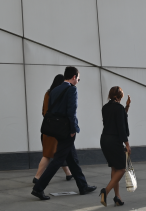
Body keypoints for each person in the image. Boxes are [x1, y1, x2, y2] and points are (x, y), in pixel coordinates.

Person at [31, 67, 96, 200]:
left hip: (57, 129)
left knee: (72, 159)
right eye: (78, 78)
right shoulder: (72, 89)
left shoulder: (55, 90)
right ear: (73, 77)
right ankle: (38, 188)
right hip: (67, 130)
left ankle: (83, 186)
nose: (78, 80)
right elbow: (71, 112)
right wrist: (73, 129)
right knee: (58, 160)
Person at [33, 74, 73, 184]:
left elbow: (43, 111)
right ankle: (37, 177)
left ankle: (69, 173)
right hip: (56, 130)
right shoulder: (59, 94)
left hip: (48, 128)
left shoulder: (48, 94)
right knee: (48, 154)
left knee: (59, 153)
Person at [99, 86, 132, 207]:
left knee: (114, 168)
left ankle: (117, 197)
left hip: (104, 139)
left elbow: (117, 120)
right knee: (122, 169)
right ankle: (105, 191)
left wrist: (126, 107)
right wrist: (127, 144)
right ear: (120, 97)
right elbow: (121, 127)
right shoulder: (119, 108)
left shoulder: (105, 107)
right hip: (114, 140)